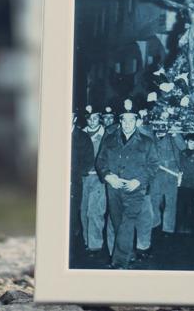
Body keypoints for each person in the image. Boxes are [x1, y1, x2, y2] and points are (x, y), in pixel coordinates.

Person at [96, 99, 159, 269]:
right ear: (120, 121)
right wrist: (108, 176)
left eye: (131, 120)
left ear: (137, 121)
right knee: (118, 223)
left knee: (127, 222)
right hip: (114, 187)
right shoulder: (109, 139)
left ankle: (119, 263)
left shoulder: (147, 142)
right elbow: (100, 161)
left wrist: (138, 181)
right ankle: (129, 253)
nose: (127, 123)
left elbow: (153, 165)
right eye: (124, 120)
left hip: (135, 188)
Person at [80, 105, 108, 254]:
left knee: (95, 212)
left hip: (98, 178)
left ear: (100, 119)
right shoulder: (81, 134)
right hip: (83, 178)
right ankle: (86, 241)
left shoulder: (105, 135)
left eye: (95, 118)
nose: (92, 121)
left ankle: (95, 245)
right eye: (89, 118)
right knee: (83, 211)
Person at [151, 130, 185, 235]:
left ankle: (168, 228)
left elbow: (183, 147)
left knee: (171, 201)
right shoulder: (151, 135)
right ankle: (154, 223)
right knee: (154, 199)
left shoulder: (173, 135)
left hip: (172, 172)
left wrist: (176, 134)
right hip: (156, 172)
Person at [70, 111, 95, 256]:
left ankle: (70, 252)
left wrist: (76, 174)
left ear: (75, 118)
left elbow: (88, 160)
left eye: (71, 115)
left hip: (74, 183)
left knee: (72, 216)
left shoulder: (82, 137)